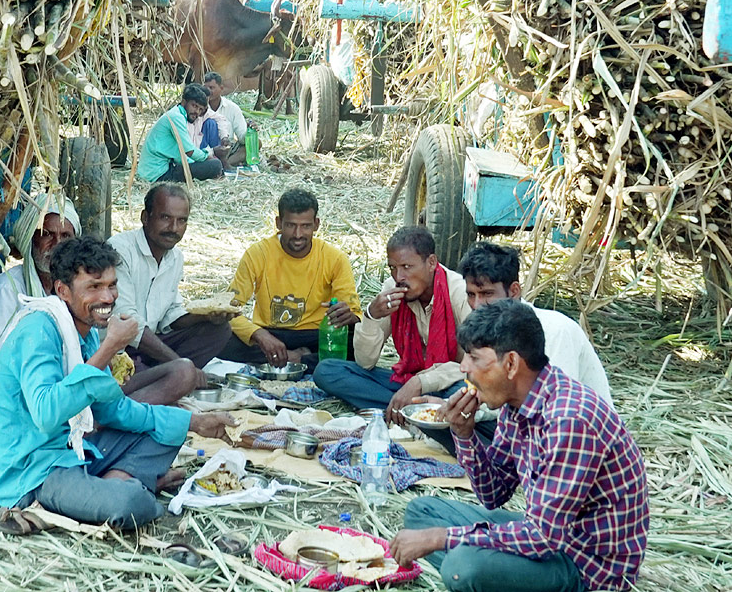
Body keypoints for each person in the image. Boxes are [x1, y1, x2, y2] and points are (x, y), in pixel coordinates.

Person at [392, 299, 649, 592]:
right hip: (552, 536)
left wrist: (441, 539)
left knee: (460, 567)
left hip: (585, 566)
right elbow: (494, 495)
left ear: (511, 363)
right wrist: (464, 435)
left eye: (475, 359)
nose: (464, 368)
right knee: (421, 514)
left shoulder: (569, 419)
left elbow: (542, 537)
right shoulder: (517, 404)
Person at [0, 237, 235, 529]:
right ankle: (51, 508)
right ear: (63, 290)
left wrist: (194, 422)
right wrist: (109, 348)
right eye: (94, 287)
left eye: (112, 285)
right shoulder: (38, 329)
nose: (108, 298)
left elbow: (113, 410)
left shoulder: (86, 331)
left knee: (169, 431)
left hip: (76, 450)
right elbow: (45, 414)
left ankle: (105, 489)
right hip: (35, 469)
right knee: (131, 505)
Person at [415, 241, 613, 453]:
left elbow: (559, 409)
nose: (477, 305)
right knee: (454, 410)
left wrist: (475, 413)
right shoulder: (492, 332)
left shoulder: (554, 330)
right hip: (520, 417)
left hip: (573, 436)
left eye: (487, 294)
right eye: (471, 295)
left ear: (514, 291)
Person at [313, 225, 470, 422]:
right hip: (407, 382)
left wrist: (420, 381)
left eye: (407, 267)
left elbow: (473, 366)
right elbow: (365, 362)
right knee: (327, 371)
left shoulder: (460, 292)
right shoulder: (391, 290)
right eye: (393, 268)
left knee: (467, 391)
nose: (399, 277)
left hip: (449, 384)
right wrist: (371, 315)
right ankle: (416, 412)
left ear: (431, 263)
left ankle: (410, 409)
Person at [109, 185, 233, 399]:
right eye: (165, 217)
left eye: (182, 220)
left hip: (153, 346)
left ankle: (162, 375)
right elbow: (129, 322)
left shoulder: (174, 258)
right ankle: (170, 376)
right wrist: (179, 363)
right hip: (119, 349)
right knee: (132, 369)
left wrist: (206, 316)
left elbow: (171, 315)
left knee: (219, 330)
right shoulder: (121, 249)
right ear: (145, 218)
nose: (173, 228)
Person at [219, 188, 360, 366]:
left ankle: (295, 358)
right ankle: (304, 360)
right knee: (216, 335)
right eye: (291, 225)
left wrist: (345, 314)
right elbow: (229, 309)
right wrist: (260, 335)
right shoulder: (257, 254)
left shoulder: (335, 258)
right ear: (279, 223)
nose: (298, 235)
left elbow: (354, 314)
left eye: (305, 226)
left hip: (315, 334)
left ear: (316, 224)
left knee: (358, 341)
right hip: (271, 334)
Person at [0, 193, 80, 389]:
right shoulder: (7, 288)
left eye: (66, 236)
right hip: (17, 401)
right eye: (47, 234)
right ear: (30, 237)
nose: (57, 244)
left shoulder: (74, 288)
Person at [135, 83, 225, 182]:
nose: (197, 112)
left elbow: (180, 155)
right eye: (194, 106)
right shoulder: (176, 117)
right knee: (216, 165)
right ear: (184, 101)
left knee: (213, 164)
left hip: (157, 170)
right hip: (158, 174)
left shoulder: (177, 114)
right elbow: (190, 151)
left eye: (200, 109)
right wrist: (208, 155)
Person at [203, 71, 249, 167]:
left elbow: (242, 137)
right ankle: (222, 164)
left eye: (211, 88)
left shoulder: (232, 108)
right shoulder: (200, 107)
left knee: (255, 144)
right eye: (205, 88)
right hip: (207, 149)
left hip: (228, 149)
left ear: (221, 89)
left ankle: (225, 163)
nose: (208, 91)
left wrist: (249, 131)